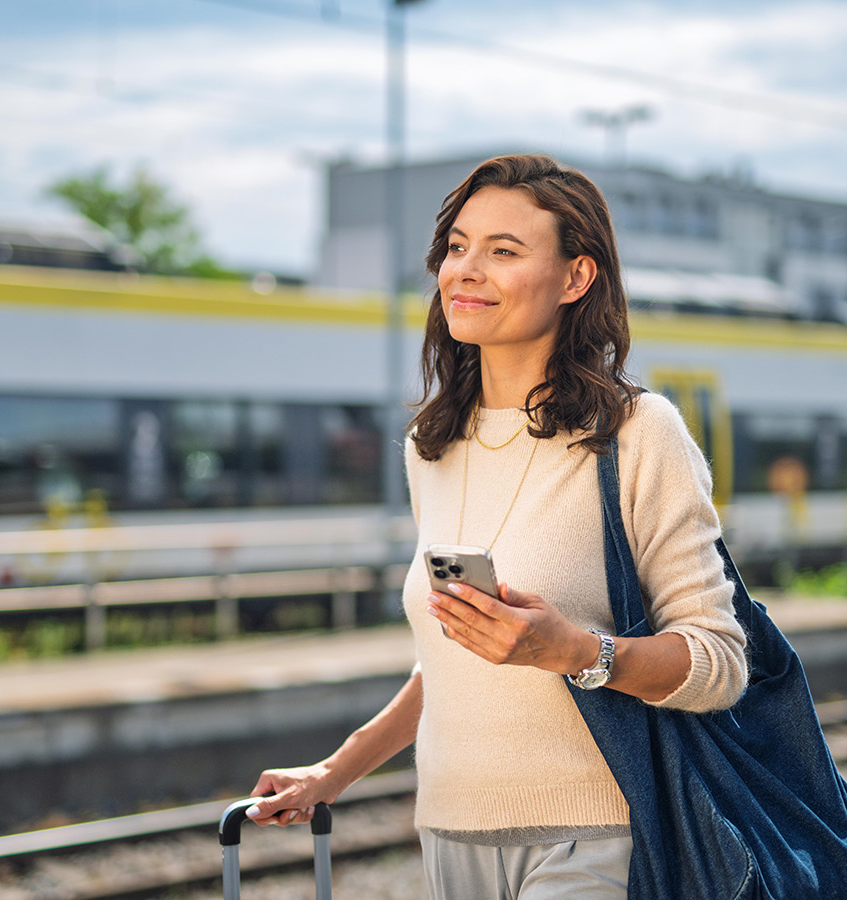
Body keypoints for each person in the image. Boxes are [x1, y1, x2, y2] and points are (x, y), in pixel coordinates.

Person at [246, 154, 748, 899]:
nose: (465, 270)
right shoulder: (432, 445)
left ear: (576, 279)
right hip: (449, 832)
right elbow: (454, 658)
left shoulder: (638, 433)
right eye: (457, 247)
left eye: (504, 251)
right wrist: (336, 770)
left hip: (598, 832)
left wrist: (578, 651)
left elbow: (720, 663)